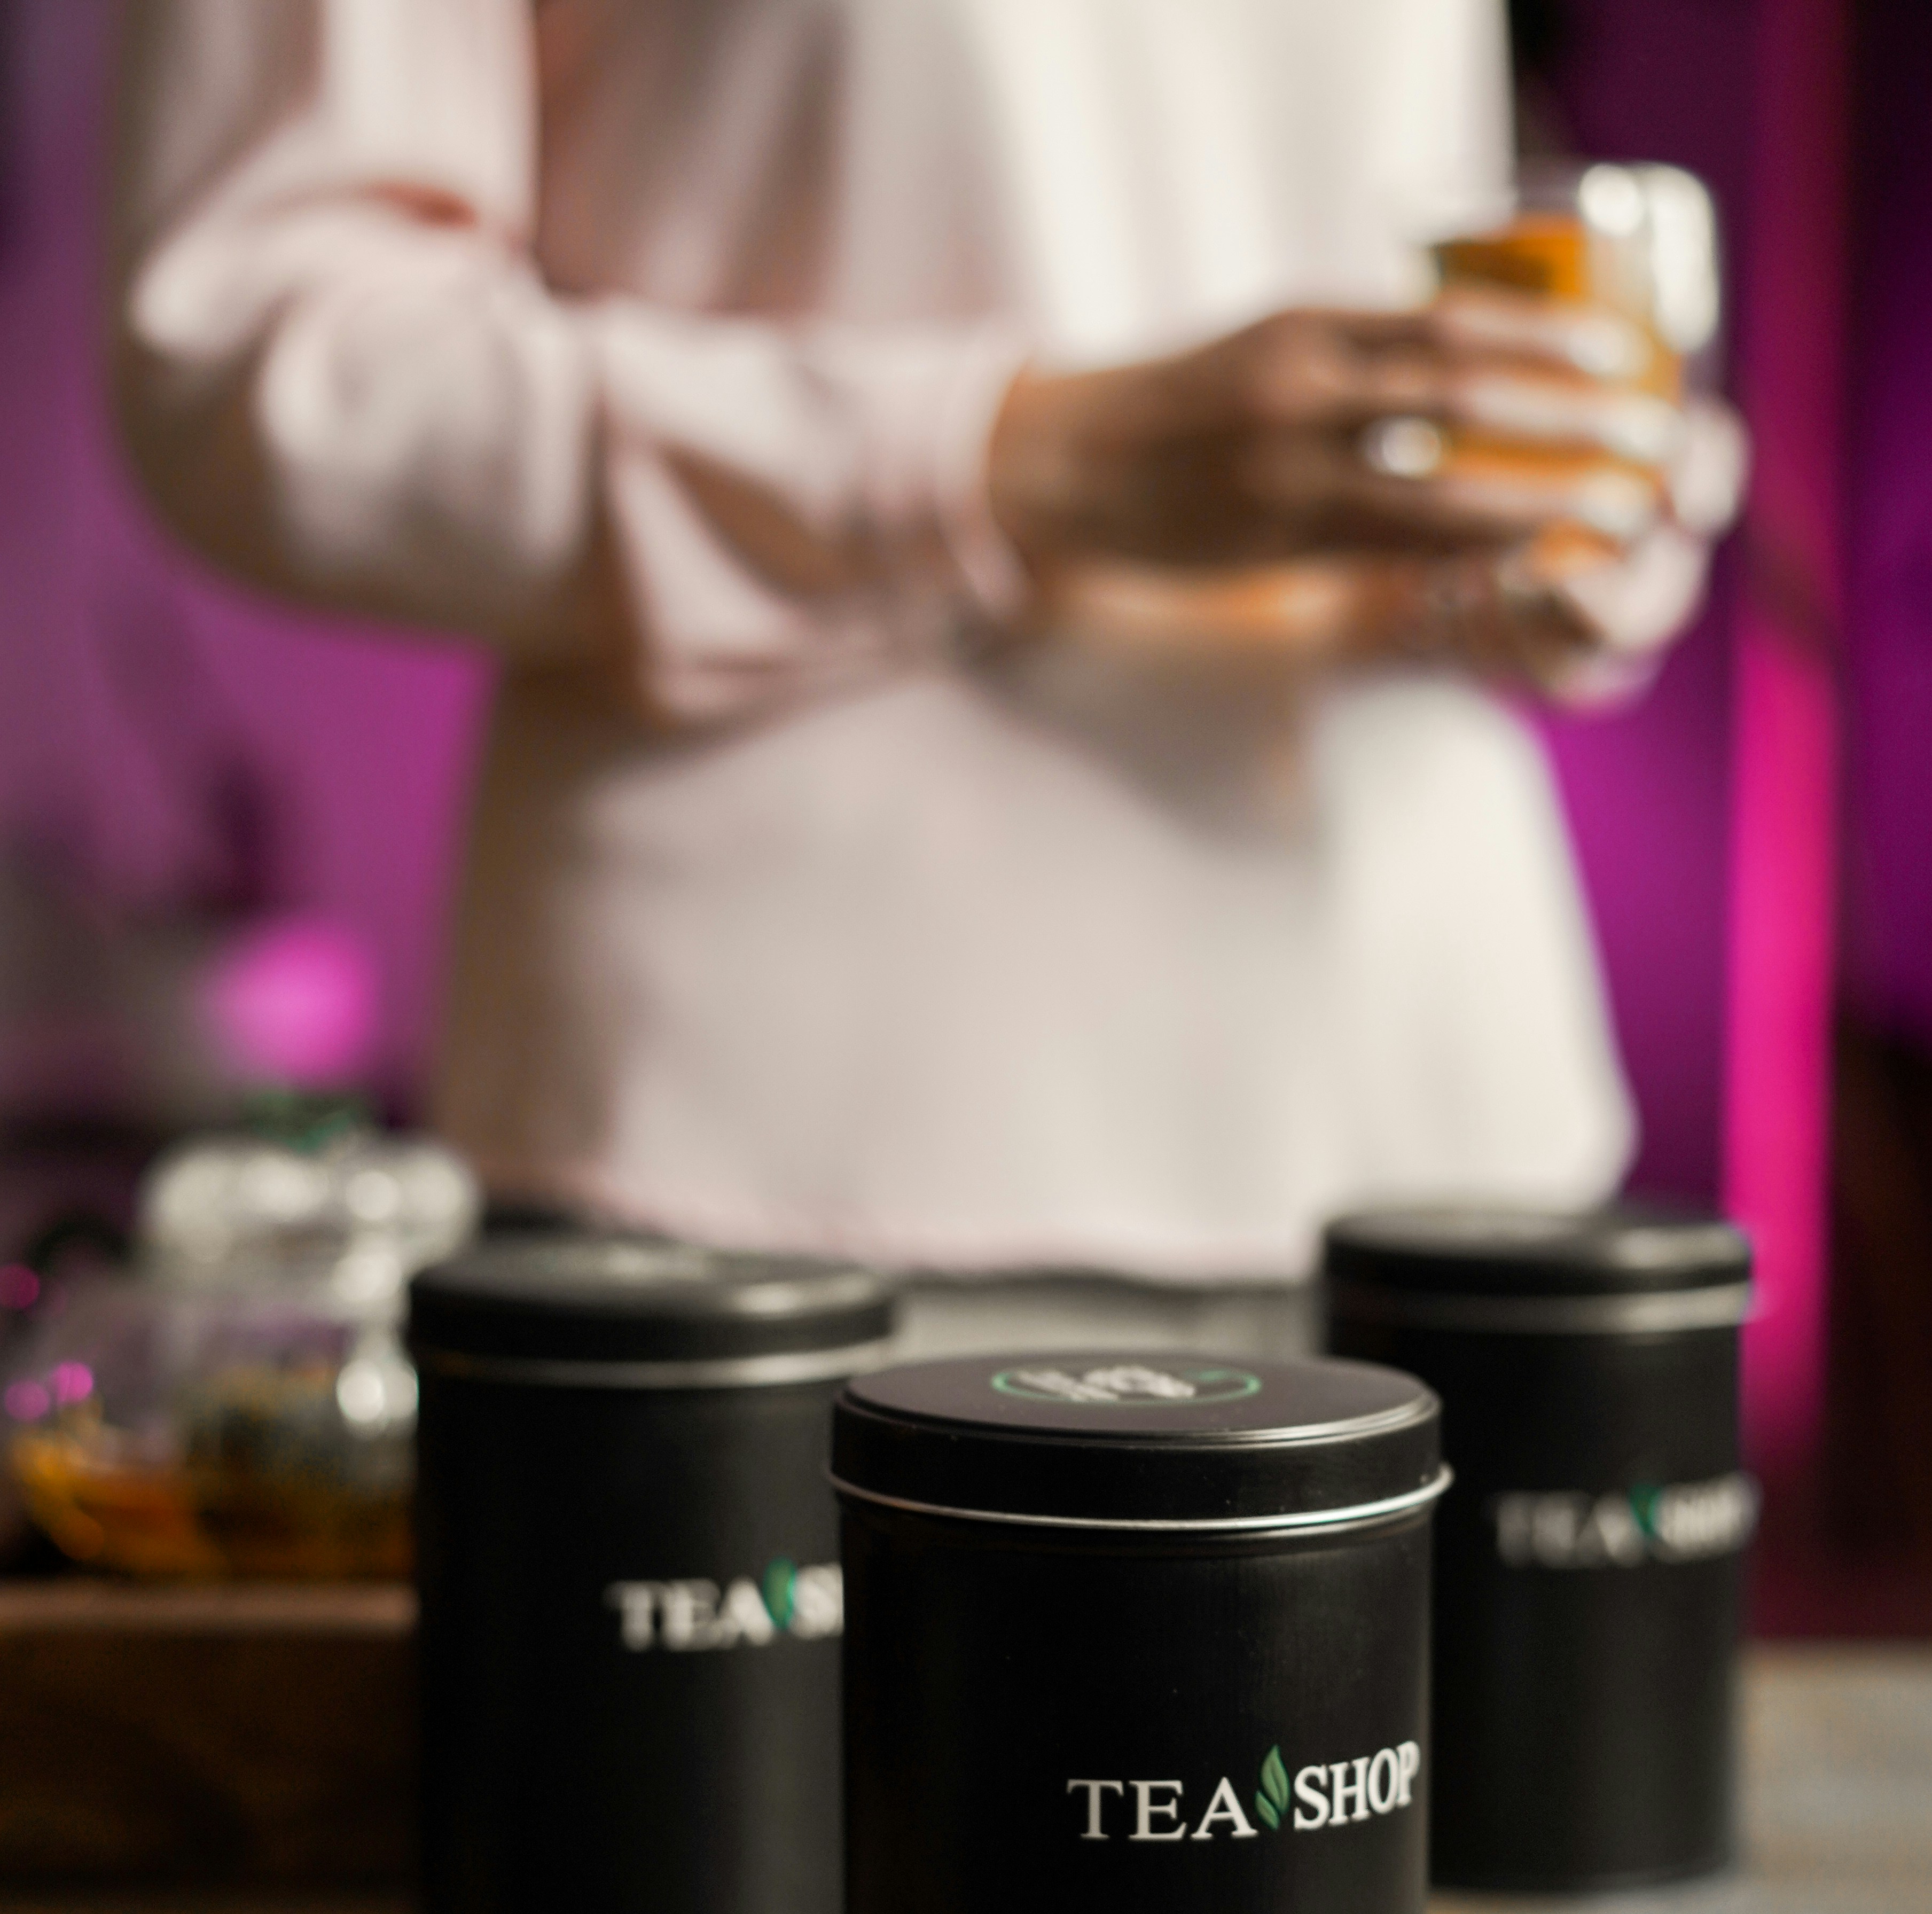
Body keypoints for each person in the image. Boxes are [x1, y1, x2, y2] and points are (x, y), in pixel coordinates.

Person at [109, 0, 1740, 1348]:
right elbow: (255, 356)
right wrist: (1002, 461)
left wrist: (1568, 507)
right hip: (785, 1184)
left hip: (1447, 1140)